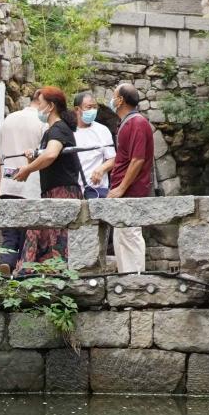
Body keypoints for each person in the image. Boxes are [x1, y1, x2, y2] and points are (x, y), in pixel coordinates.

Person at [8, 86, 86, 269]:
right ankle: (39, 277)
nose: (38, 107)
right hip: (51, 193)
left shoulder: (59, 129)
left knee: (57, 242)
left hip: (62, 194)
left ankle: (53, 277)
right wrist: (32, 158)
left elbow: (51, 154)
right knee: (43, 240)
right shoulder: (51, 131)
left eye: (40, 103)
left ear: (51, 106)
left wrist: (28, 169)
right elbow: (47, 157)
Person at [0, 92, 48, 269]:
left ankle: (6, 261)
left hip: (8, 181)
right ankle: (22, 267)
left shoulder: (9, 119)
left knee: (9, 230)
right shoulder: (43, 123)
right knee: (27, 230)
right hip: (31, 182)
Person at [108, 84, 156, 274]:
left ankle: (135, 284)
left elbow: (137, 160)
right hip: (124, 191)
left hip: (130, 191)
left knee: (130, 236)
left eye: (114, 96)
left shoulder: (137, 123)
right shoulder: (127, 122)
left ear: (120, 100)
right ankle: (126, 281)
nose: (112, 100)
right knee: (122, 238)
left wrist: (121, 188)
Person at [74, 90, 117, 197]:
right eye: (89, 107)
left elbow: (113, 159)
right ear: (77, 109)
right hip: (73, 191)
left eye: (95, 107)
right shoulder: (68, 131)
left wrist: (102, 169)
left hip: (96, 190)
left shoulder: (102, 130)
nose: (93, 111)